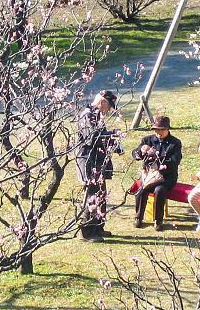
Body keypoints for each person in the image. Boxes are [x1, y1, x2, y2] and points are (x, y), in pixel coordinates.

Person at [76, 90, 123, 242]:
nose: (109, 110)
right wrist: (112, 134)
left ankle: (98, 227)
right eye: (109, 106)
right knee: (92, 194)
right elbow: (92, 138)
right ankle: (87, 233)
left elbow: (101, 136)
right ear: (102, 102)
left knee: (101, 193)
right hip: (87, 160)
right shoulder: (87, 115)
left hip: (97, 160)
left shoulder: (97, 116)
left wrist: (115, 144)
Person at [132, 115, 183, 232]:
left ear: (167, 129)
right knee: (141, 190)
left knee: (159, 190)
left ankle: (158, 221)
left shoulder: (175, 143)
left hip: (166, 177)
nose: (159, 132)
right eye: (156, 129)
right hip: (149, 177)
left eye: (162, 129)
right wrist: (140, 152)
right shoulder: (147, 140)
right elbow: (135, 154)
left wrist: (160, 163)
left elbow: (175, 161)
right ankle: (138, 218)